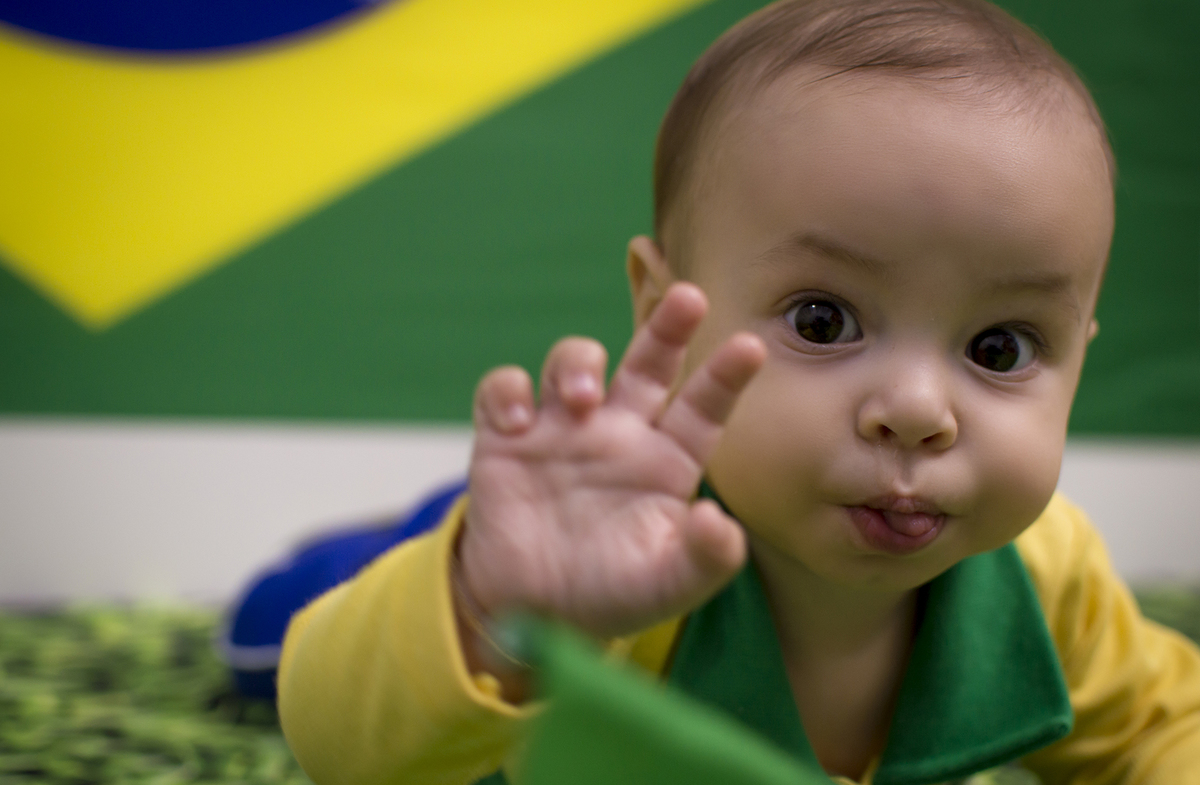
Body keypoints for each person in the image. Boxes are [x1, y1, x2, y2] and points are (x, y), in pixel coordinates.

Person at [276, 1, 1200, 783]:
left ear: (1080, 354)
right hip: (518, 542)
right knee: (271, 626)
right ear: (660, 308)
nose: (919, 410)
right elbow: (341, 751)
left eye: (1000, 346)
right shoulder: (617, 567)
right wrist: (492, 610)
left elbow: (1166, 724)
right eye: (824, 321)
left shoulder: (1047, 572)